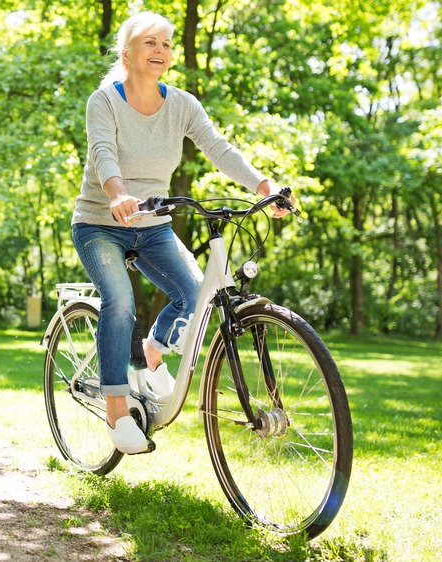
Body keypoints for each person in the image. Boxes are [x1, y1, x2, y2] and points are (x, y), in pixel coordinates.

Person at [72, 11, 295, 453]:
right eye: (150, 43)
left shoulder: (182, 105)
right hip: (100, 223)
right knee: (120, 300)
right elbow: (102, 152)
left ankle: (152, 354)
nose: (161, 51)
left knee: (196, 293)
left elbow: (217, 147)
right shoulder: (105, 100)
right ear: (127, 53)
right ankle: (117, 411)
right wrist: (117, 193)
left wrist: (263, 186)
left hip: (152, 226)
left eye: (167, 44)